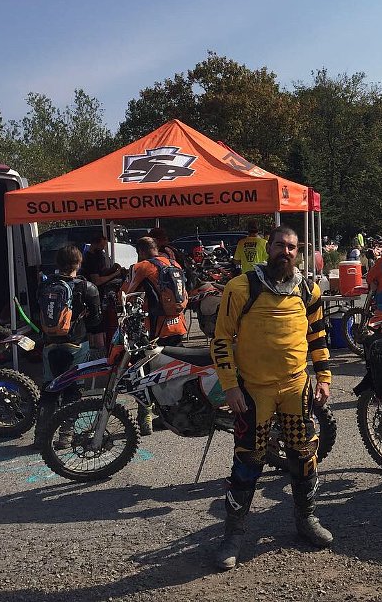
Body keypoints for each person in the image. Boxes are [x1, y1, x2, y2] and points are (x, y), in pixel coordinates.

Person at [210, 226, 332, 570]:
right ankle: (233, 535)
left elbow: (318, 336)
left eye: (292, 247)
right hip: (254, 390)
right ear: (269, 248)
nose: (286, 252)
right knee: (248, 460)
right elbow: (221, 339)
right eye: (280, 245)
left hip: (296, 386)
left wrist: (324, 377)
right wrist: (230, 386)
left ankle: (306, 518)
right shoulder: (241, 287)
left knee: (304, 455)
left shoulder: (308, 290)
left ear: (299, 252)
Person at [39, 245, 101, 443]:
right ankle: (66, 434)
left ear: (57, 262)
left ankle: (41, 435)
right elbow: (96, 321)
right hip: (76, 343)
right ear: (79, 263)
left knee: (49, 387)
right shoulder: (87, 287)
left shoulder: (45, 285)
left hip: (49, 343)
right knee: (73, 388)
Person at [121, 237, 188, 346]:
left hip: (156, 327)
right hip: (179, 323)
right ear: (156, 248)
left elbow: (125, 295)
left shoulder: (142, 267)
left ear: (141, 252)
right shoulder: (174, 264)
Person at [80, 234, 124, 351]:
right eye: (102, 245)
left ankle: (100, 346)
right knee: (96, 322)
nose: (103, 248)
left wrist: (112, 269)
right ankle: (97, 348)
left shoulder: (99, 255)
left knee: (101, 322)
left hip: (99, 292)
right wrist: (115, 274)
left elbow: (101, 272)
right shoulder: (90, 258)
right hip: (92, 294)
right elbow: (97, 280)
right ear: (95, 243)